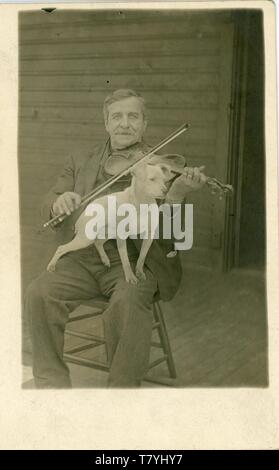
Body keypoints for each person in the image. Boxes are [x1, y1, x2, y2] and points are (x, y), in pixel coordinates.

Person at [25, 89, 206, 388]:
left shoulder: (161, 167)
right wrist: (59, 201)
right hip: (83, 258)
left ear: (145, 124)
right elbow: (51, 197)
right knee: (39, 293)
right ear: (106, 122)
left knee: (129, 300)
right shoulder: (81, 159)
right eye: (117, 117)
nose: (124, 124)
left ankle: (121, 396)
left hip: (134, 262)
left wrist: (177, 195)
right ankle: (51, 385)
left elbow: (175, 239)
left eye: (133, 116)